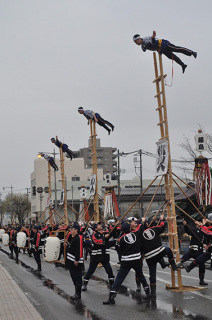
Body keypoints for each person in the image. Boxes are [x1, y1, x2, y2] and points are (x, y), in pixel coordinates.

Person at [103, 220, 149, 305]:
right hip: (136, 259)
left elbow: (116, 248)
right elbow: (141, 227)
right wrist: (141, 221)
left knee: (119, 278)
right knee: (140, 275)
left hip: (126, 260)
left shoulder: (121, 240)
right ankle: (147, 291)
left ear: (122, 230)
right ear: (130, 228)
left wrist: (107, 236)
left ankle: (112, 297)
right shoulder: (136, 234)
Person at [141, 215, 178, 297]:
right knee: (168, 250)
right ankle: (173, 265)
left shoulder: (139, 234)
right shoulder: (153, 229)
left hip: (149, 257)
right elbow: (162, 227)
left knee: (152, 273)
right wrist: (162, 219)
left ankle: (153, 292)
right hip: (158, 252)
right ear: (147, 224)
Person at [133, 31, 197, 73]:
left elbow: (153, 39)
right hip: (161, 49)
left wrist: (153, 36)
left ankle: (192, 52)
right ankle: (183, 65)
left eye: (136, 42)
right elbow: (144, 50)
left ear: (139, 39)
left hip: (164, 44)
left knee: (176, 49)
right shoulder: (142, 46)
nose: (136, 43)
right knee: (172, 57)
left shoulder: (145, 39)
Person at [82, 222, 115, 291]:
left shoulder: (105, 233)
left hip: (104, 256)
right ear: (96, 228)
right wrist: (104, 238)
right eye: (99, 225)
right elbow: (97, 242)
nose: (100, 226)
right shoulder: (94, 235)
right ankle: (85, 284)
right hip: (96, 256)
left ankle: (112, 284)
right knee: (90, 271)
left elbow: (112, 233)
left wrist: (115, 225)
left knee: (109, 270)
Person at [175, 219, 207, 285]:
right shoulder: (195, 230)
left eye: (200, 223)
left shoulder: (205, 231)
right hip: (193, 249)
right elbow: (189, 230)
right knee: (187, 255)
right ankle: (178, 263)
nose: (199, 224)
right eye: (199, 223)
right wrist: (186, 225)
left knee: (202, 265)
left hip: (200, 251)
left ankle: (201, 280)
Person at [66, 223, 84, 300]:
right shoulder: (73, 237)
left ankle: (78, 294)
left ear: (76, 230)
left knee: (77, 277)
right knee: (74, 277)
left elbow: (79, 249)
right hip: (71, 261)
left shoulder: (78, 238)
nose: (71, 230)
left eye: (72, 229)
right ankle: (76, 292)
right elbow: (72, 246)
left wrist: (77, 260)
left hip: (76, 262)